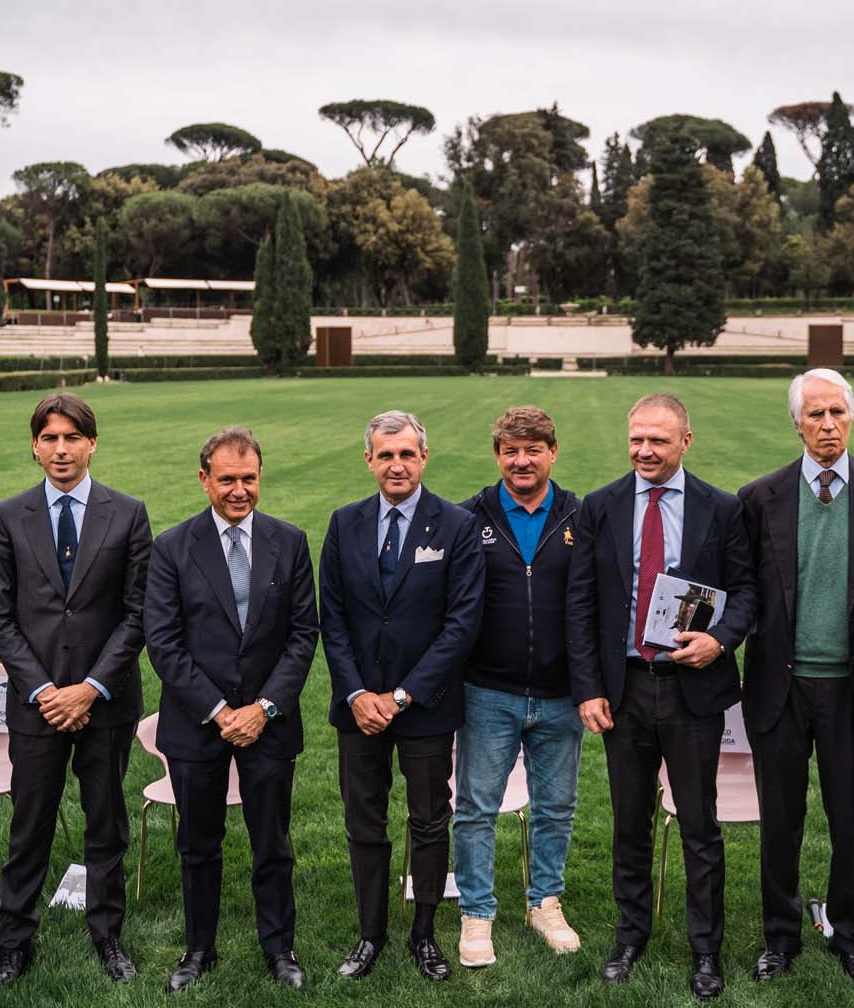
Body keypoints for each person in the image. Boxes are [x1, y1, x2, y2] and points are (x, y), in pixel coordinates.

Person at [566, 392, 757, 1001]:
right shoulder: (600, 506)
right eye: (636, 440)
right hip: (623, 691)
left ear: (685, 442)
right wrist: (589, 689)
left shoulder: (722, 509)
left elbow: (749, 592)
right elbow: (581, 605)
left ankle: (706, 951)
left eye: (658, 440)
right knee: (630, 823)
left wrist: (720, 641)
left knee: (700, 826)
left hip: (692, 690)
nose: (645, 451)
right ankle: (630, 935)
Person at [736, 368, 854, 988]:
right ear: (796, 422)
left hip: (853, 688)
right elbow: (749, 590)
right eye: (815, 414)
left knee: (852, 821)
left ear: (852, 416)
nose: (828, 424)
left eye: (837, 412)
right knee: (780, 822)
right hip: (778, 689)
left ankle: (850, 936)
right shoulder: (760, 497)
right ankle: (780, 939)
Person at [0, 393, 154, 986]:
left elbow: (138, 613)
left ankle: (108, 937)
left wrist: (91, 689)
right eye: (50, 438)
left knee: (105, 822)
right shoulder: (8, 515)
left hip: (105, 704)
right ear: (35, 445)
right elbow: (0, 617)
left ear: (92, 443)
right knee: (30, 822)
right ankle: (13, 942)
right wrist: (46, 690)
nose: (61, 448)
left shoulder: (128, 513)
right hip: (36, 705)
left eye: (72, 437)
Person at [144, 427, 318, 991]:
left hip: (268, 723)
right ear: (204, 480)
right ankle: (198, 949)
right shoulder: (172, 547)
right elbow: (163, 642)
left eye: (249, 478)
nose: (239, 490)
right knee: (198, 844)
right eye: (227, 480)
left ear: (260, 477)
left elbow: (302, 635)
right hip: (198, 724)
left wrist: (263, 708)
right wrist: (221, 712)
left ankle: (280, 948)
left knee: (272, 842)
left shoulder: (288, 541)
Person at [319, 410, 485, 982]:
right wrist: (360, 693)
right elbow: (332, 619)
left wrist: (405, 695)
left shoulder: (457, 526)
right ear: (369, 459)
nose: (397, 465)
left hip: (426, 709)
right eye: (385, 455)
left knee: (429, 821)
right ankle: (370, 935)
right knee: (364, 823)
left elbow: (462, 624)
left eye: (407, 454)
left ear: (423, 458)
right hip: (358, 709)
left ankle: (424, 935)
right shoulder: (344, 524)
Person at [453, 406, 585, 967]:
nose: (522, 460)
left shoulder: (583, 514)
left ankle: (544, 902)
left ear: (553, 452)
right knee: (477, 806)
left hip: (562, 693)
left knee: (556, 806)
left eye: (533, 449)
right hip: (488, 690)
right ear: (498, 455)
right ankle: (477, 911)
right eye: (511, 450)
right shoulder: (469, 517)